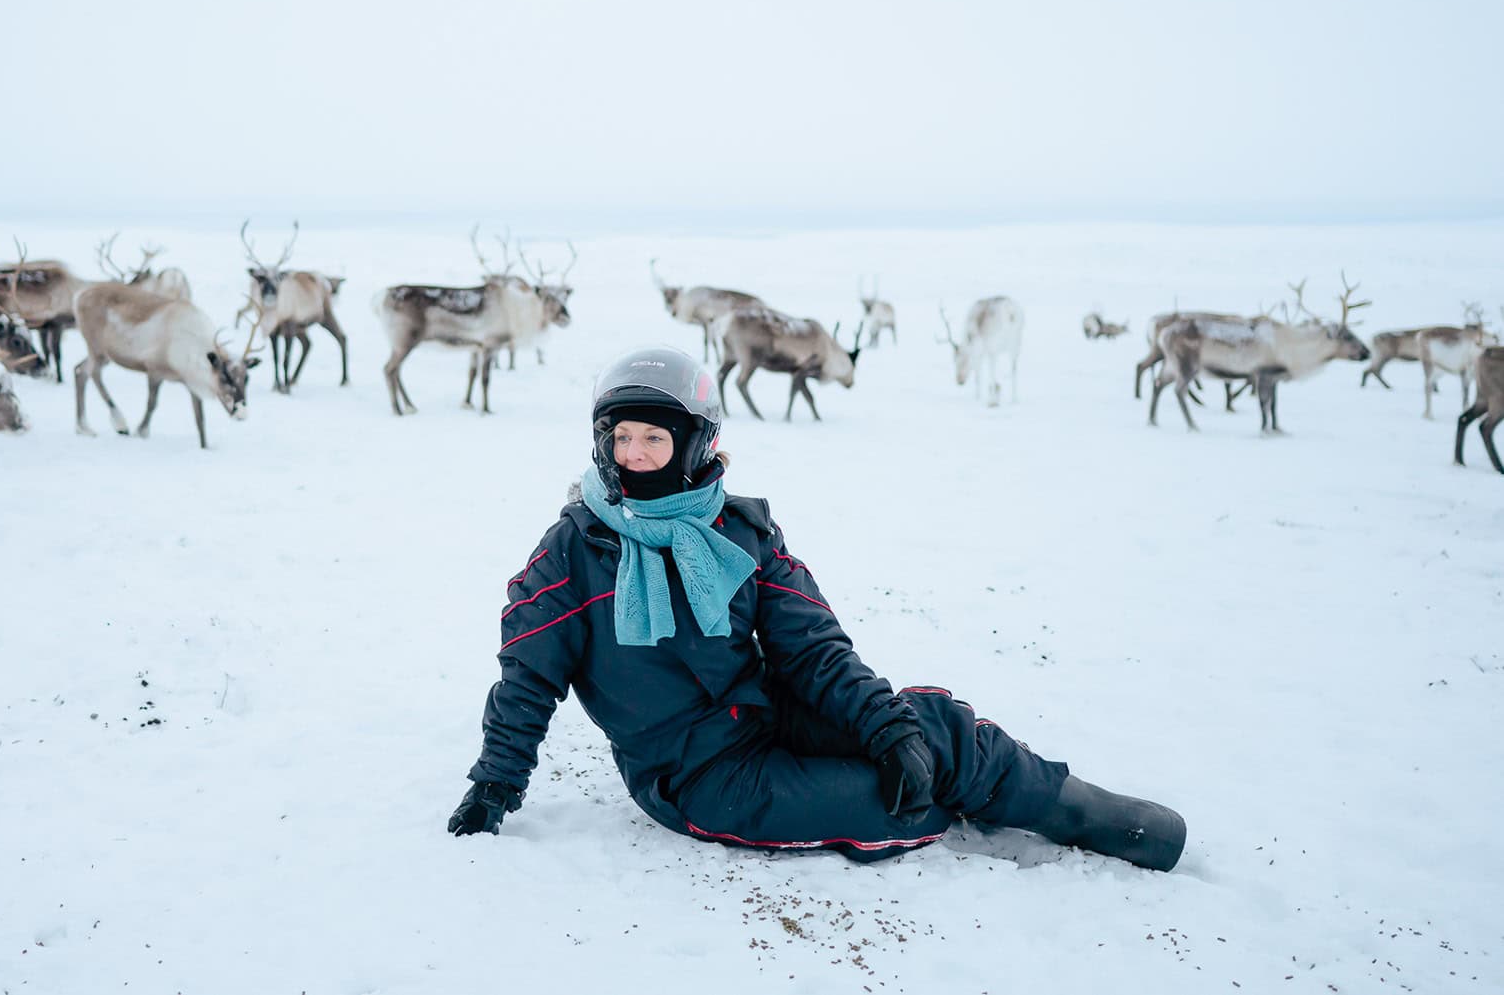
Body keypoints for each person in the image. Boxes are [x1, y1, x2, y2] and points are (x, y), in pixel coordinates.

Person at [446, 345, 1186, 871]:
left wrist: (887, 728)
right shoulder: (573, 549)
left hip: (769, 706)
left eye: (654, 436)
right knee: (887, 800)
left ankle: (1081, 810)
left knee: (930, 734)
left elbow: (812, 647)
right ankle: (963, 801)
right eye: (623, 436)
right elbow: (527, 675)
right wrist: (495, 785)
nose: (635, 452)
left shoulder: (741, 529)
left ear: (693, 444)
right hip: (694, 772)